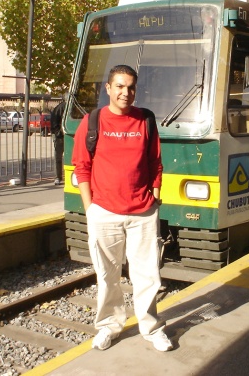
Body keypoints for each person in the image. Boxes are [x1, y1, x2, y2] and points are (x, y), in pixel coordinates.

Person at [71, 64, 173, 352]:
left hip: (142, 212)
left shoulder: (146, 120)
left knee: (148, 275)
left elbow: (155, 163)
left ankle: (151, 328)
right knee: (107, 275)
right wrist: (90, 208)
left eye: (130, 87)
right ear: (108, 88)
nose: (125, 93)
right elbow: (81, 166)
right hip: (104, 212)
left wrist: (154, 198)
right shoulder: (93, 121)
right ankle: (108, 327)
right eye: (119, 86)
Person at [51, 98, 65, 185]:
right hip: (60, 136)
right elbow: (54, 122)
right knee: (59, 156)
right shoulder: (61, 108)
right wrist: (58, 133)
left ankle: (58, 177)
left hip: (60, 135)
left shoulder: (59, 107)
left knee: (58, 157)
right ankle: (58, 176)